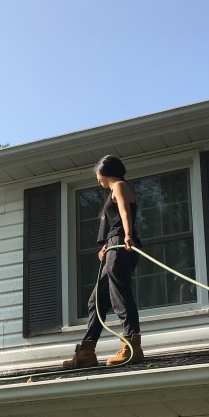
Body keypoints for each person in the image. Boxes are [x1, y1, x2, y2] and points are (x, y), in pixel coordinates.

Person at [63, 154, 144, 369]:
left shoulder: (118, 185)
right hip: (113, 246)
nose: (97, 179)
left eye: (97, 174)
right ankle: (87, 351)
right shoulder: (113, 190)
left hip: (121, 245)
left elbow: (125, 213)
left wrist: (126, 235)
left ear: (104, 171)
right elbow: (115, 219)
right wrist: (106, 246)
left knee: (119, 294)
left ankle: (132, 345)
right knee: (96, 301)